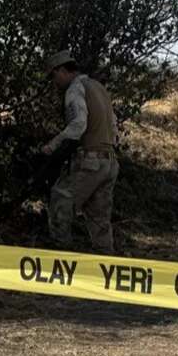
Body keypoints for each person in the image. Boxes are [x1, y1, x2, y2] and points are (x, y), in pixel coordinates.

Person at [41, 50, 120, 254]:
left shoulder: (75, 90)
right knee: (99, 218)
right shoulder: (99, 88)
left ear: (61, 70)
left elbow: (78, 124)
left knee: (60, 199)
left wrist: (52, 145)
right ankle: (106, 264)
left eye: (53, 76)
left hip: (90, 160)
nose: (53, 82)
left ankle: (60, 259)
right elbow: (113, 126)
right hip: (110, 162)